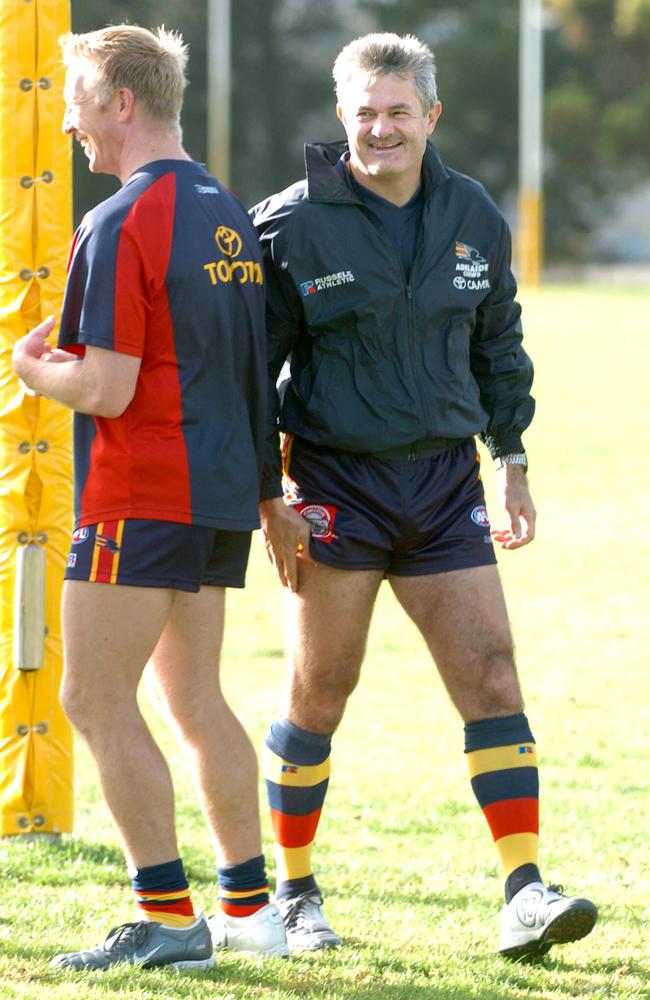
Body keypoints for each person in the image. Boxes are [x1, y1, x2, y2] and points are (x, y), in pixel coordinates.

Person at [251, 32, 597, 961]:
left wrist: (512, 456)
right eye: (364, 111)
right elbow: (252, 375)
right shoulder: (287, 225)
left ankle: (525, 892)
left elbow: (499, 343)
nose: (381, 128)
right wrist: (266, 497)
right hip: (335, 484)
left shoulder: (472, 213)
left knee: (491, 674)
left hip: (447, 482)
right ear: (341, 117)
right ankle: (293, 895)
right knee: (321, 688)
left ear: (430, 116)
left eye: (399, 110)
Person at [12, 24, 287, 971]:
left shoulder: (121, 218)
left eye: (77, 99)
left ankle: (167, 917)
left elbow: (109, 387)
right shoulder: (226, 211)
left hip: (141, 494)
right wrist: (263, 496)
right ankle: (252, 909)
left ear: (121, 103)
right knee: (195, 697)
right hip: (212, 498)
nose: (70, 121)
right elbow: (253, 375)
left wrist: (31, 368)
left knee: (89, 697)